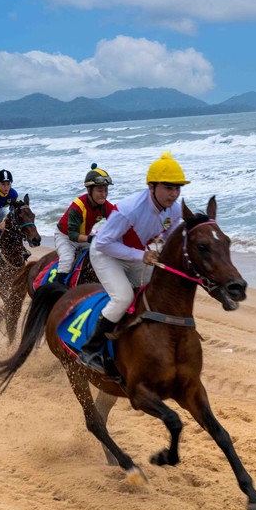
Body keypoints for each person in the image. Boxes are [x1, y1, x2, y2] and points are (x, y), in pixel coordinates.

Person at [77, 152, 189, 374]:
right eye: (168, 187)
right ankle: (89, 351)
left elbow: (170, 239)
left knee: (157, 293)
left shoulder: (174, 209)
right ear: (152, 186)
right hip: (106, 255)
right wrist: (141, 256)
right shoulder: (129, 209)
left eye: (177, 188)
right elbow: (103, 244)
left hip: (134, 254)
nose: (174, 193)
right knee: (124, 297)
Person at [54, 163, 116, 278]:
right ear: (89, 190)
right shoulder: (77, 206)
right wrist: (92, 238)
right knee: (67, 261)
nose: (104, 195)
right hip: (65, 236)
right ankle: (57, 288)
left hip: (84, 236)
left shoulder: (106, 206)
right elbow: (73, 235)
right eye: (100, 191)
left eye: (106, 190)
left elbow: (118, 222)